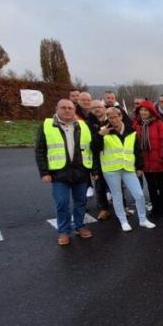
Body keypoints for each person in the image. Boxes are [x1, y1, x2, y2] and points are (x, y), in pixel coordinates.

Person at [35, 99, 94, 245]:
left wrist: (93, 170)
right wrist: (44, 172)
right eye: (64, 108)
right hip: (59, 172)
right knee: (62, 203)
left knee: (81, 202)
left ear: (74, 110)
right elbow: (40, 150)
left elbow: (90, 149)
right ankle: (64, 231)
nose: (67, 110)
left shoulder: (82, 125)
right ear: (57, 109)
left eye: (70, 108)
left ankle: (79, 226)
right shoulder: (47, 125)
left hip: (80, 171)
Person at [92, 107, 156, 232]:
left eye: (116, 117)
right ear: (107, 118)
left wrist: (139, 167)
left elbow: (136, 150)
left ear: (121, 116)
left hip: (128, 167)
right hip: (111, 169)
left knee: (139, 194)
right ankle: (123, 221)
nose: (113, 120)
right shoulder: (103, 131)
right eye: (110, 117)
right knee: (117, 196)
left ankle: (143, 219)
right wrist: (100, 136)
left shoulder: (131, 130)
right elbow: (94, 149)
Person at [133, 100, 163, 217]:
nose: (143, 112)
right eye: (141, 110)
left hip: (159, 161)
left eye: (145, 110)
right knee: (151, 187)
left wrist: (162, 157)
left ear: (151, 111)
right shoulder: (137, 125)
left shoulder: (159, 124)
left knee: (162, 186)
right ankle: (155, 208)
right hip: (145, 162)